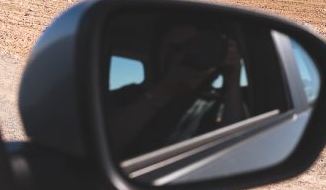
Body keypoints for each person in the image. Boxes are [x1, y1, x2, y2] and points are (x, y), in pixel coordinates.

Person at [106, 21, 248, 159]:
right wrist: (165, 89)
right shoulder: (128, 95)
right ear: (158, 54)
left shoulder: (220, 104)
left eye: (196, 47)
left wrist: (232, 80)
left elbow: (237, 152)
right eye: (175, 48)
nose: (185, 56)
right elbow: (107, 144)